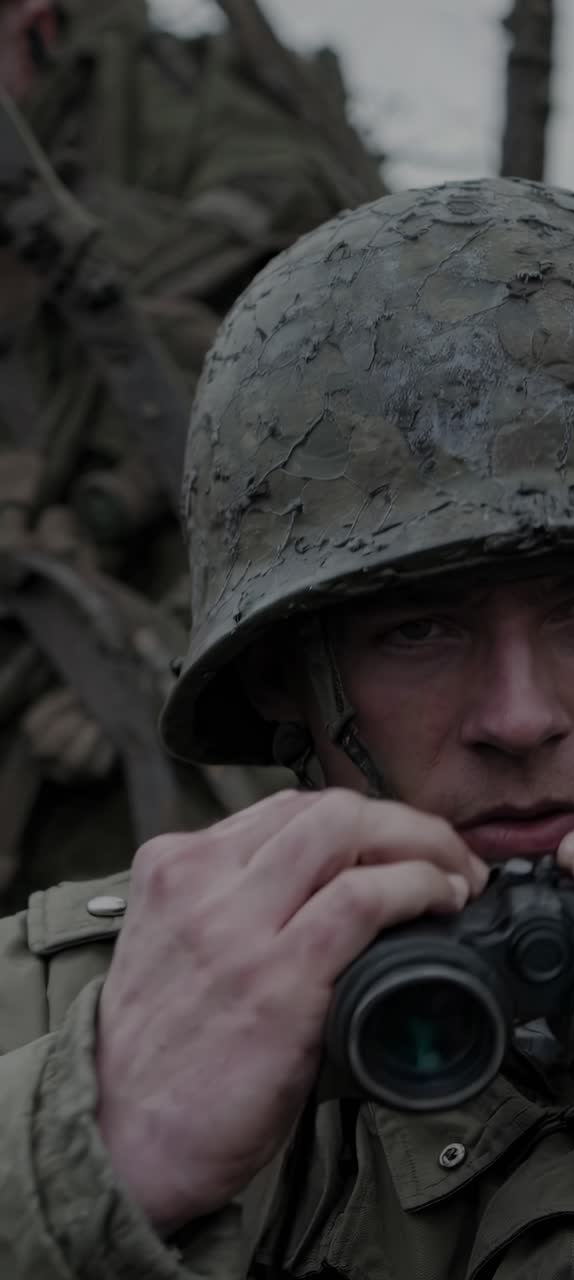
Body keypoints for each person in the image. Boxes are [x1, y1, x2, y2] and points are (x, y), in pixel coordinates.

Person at [1, 176, 574, 1278]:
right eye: (420, 629)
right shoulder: (78, 1007)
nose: (517, 716)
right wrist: (85, 1163)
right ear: (290, 673)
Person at [0, 0, 385, 910]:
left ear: (33, 20)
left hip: (186, 671)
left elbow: (283, 236)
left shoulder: (175, 100)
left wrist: (164, 651)